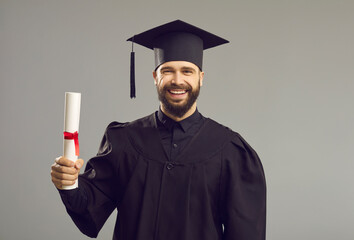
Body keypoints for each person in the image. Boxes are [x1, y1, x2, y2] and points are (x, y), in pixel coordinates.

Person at [51, 20, 266, 240]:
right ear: (155, 77)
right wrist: (69, 184)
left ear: (201, 78)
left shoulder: (230, 151)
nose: (177, 80)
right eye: (167, 71)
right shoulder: (123, 140)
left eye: (187, 71)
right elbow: (89, 209)